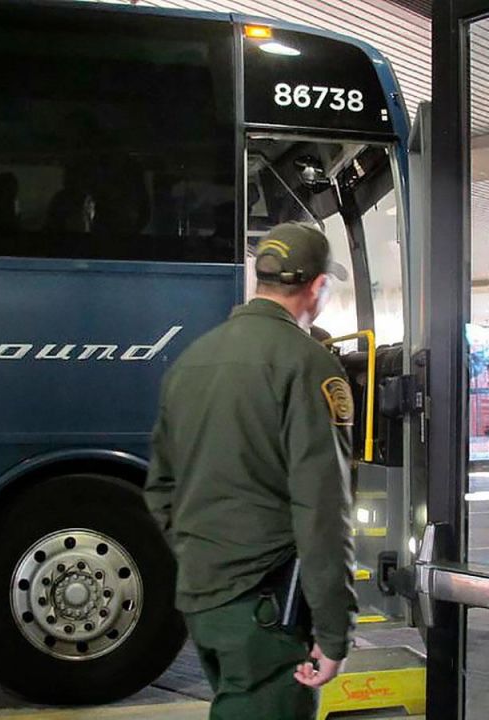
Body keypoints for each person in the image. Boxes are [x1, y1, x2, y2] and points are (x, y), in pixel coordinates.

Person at [145, 222, 356, 719]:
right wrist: (333, 632)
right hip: (266, 606)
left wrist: (205, 553)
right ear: (317, 287)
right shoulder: (308, 365)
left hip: (204, 597)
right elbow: (322, 507)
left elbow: (160, 490)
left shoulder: (191, 361)